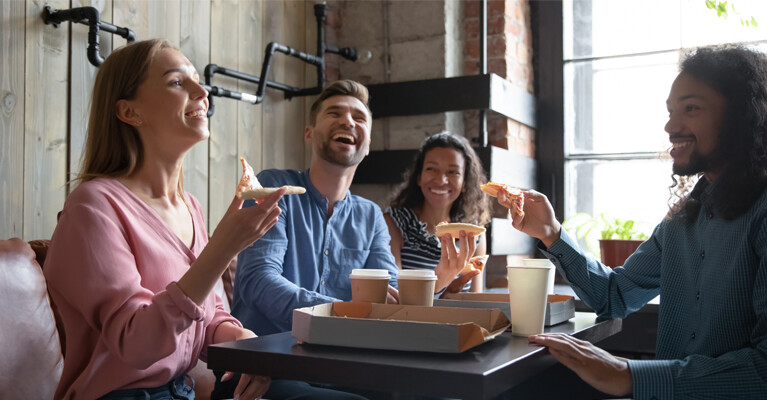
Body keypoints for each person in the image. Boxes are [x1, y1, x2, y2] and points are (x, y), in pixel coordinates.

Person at [494, 44, 767, 398]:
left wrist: (628, 374)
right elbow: (615, 295)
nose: (671, 126)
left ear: (741, 116)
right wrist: (551, 232)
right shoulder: (683, 219)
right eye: (670, 112)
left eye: (691, 108)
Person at [44, 39, 281, 400]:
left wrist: (241, 341)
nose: (202, 91)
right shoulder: (92, 208)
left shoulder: (190, 206)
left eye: (198, 80)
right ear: (129, 112)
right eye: (177, 82)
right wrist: (221, 249)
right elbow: (138, 345)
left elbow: (204, 317)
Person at [218, 80, 476, 399]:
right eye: (334, 113)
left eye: (359, 117)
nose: (348, 121)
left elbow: (389, 294)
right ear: (309, 132)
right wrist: (342, 312)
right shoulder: (275, 187)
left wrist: (437, 280)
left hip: (345, 370)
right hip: (267, 371)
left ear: (368, 143)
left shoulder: (370, 216)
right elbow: (258, 281)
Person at [385, 132, 491, 294]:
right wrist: (441, 280)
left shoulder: (474, 232)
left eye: (453, 172)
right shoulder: (394, 223)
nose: (441, 180)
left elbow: (476, 300)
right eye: (431, 169)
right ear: (419, 178)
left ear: (465, 183)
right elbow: (394, 296)